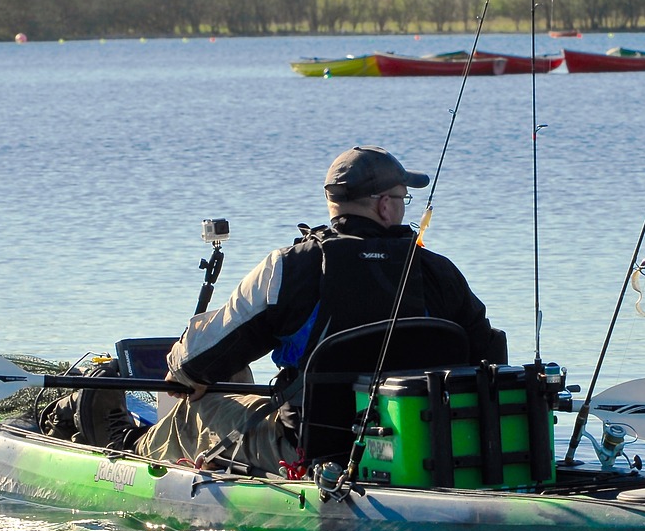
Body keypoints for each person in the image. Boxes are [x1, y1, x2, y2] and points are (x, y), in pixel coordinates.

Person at [129, 145, 507, 472]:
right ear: (384, 206)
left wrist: (179, 367)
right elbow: (488, 357)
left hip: (311, 452)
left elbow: (198, 362)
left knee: (196, 407)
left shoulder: (290, 267)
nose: (403, 207)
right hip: (428, 447)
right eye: (403, 198)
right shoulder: (439, 271)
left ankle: (127, 454)